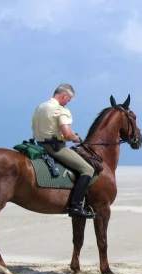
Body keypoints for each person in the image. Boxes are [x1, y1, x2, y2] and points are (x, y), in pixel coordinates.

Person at [32, 83, 95, 219]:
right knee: (88, 170)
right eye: (69, 99)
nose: (68, 102)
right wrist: (75, 137)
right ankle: (76, 206)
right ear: (64, 95)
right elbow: (66, 133)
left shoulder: (40, 107)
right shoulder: (60, 110)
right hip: (55, 148)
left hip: (39, 145)